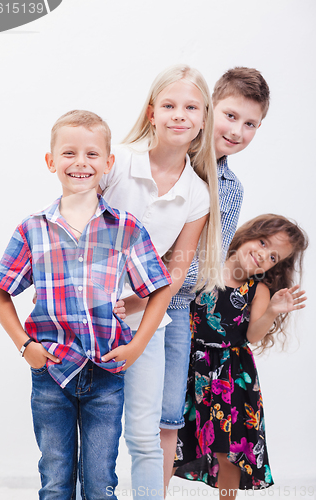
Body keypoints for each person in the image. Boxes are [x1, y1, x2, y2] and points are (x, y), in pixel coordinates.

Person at [0, 110, 173, 500]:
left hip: (106, 373)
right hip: (51, 371)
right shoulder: (33, 228)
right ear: (51, 161)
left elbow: (159, 288)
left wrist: (137, 344)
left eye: (92, 154)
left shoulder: (125, 227)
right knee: (55, 480)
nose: (80, 162)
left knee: (100, 482)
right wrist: (25, 347)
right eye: (69, 153)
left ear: (108, 164)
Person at [99, 64, 223, 497]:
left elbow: (174, 268)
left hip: (148, 321)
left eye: (191, 107)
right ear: (152, 112)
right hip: (87, 314)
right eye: (169, 105)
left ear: (203, 119)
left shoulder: (198, 194)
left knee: (144, 435)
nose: (179, 115)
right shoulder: (118, 162)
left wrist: (137, 310)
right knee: (90, 432)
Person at [162, 67, 270, 488]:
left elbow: (205, 264)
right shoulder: (167, 158)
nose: (238, 131)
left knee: (167, 422)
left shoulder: (230, 187)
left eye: (251, 124)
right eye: (230, 116)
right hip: (129, 300)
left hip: (179, 314)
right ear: (209, 110)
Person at [174, 214, 308, 497]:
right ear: (247, 234)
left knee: (228, 449)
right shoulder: (204, 267)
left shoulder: (257, 290)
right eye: (262, 242)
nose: (262, 255)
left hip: (231, 374)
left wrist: (272, 310)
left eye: (273, 257)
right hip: (188, 366)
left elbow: (252, 335)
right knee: (173, 437)